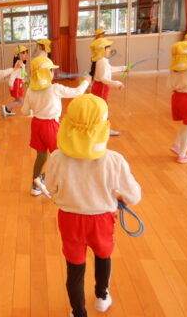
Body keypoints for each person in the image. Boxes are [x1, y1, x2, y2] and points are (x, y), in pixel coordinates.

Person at [46, 94, 142, 317]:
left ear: (68, 125)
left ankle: (78, 312)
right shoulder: (114, 160)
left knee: (74, 267)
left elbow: (51, 187)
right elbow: (134, 195)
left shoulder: (57, 157)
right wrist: (123, 199)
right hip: (101, 220)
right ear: (102, 127)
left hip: (69, 219)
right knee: (103, 256)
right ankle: (102, 296)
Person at [21, 56, 91, 196]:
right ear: (46, 73)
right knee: (62, 158)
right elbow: (77, 92)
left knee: (41, 156)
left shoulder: (30, 90)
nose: (53, 72)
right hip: (51, 126)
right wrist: (86, 81)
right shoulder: (55, 88)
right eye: (52, 70)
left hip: (36, 125)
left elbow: (24, 111)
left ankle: (35, 186)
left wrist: (36, 106)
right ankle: (42, 179)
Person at [90, 38, 128, 136]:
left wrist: (124, 68)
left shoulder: (102, 60)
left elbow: (109, 69)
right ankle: (104, 129)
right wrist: (117, 84)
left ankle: (99, 128)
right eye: (108, 48)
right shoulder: (102, 61)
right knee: (102, 109)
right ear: (102, 49)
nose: (110, 50)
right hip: (101, 88)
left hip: (100, 87)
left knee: (100, 108)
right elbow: (103, 78)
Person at [2, 45, 29, 117]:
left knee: (18, 100)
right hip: (17, 83)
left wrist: (24, 81)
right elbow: (13, 74)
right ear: (18, 55)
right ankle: (6, 108)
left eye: (26, 52)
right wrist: (10, 84)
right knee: (19, 100)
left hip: (19, 83)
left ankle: (8, 109)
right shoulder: (19, 63)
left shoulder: (21, 63)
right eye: (23, 53)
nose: (26, 54)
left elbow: (22, 74)